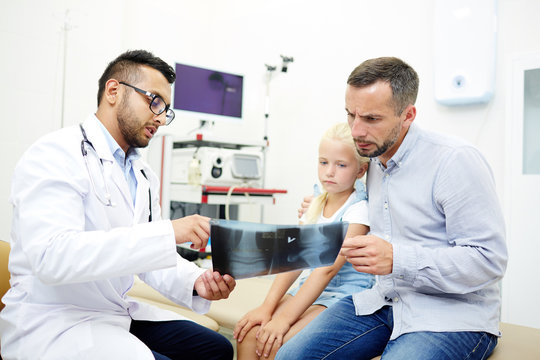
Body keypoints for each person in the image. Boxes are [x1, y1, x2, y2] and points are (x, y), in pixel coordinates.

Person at [0, 50, 236, 360]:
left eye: (166, 109)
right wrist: (168, 233)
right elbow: (51, 257)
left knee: (217, 349)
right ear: (114, 91)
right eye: (155, 102)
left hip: (112, 311)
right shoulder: (54, 154)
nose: (162, 118)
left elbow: (148, 258)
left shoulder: (143, 174)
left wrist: (196, 282)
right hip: (53, 319)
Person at [276, 57, 508, 360]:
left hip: (451, 315)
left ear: (408, 115)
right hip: (383, 301)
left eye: (371, 119)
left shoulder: (454, 162)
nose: (356, 130)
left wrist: (397, 259)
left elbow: (489, 260)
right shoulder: (371, 160)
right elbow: (348, 199)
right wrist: (319, 206)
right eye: (350, 115)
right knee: (288, 358)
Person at [234, 123, 375, 360]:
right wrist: (267, 307)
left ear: (360, 171)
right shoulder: (316, 204)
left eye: (341, 165)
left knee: (278, 344)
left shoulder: (359, 211)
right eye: (323, 162)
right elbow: (293, 258)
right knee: (248, 335)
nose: (329, 171)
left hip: (342, 295)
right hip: (308, 289)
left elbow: (327, 270)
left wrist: (283, 320)